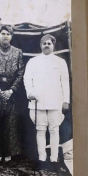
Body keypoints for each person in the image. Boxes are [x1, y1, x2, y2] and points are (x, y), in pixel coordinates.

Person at [24, 34, 70, 164]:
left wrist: (66, 100)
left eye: (49, 43)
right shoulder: (33, 62)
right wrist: (30, 93)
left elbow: (65, 82)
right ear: (40, 45)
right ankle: (42, 158)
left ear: (53, 45)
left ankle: (54, 158)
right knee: (40, 130)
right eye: (44, 43)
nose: (46, 45)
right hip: (38, 102)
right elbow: (27, 79)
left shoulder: (60, 62)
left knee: (54, 130)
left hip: (56, 102)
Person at [0, 25, 25, 162]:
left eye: (8, 33)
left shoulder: (18, 52)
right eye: (3, 33)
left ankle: (9, 152)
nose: (5, 35)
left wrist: (11, 90)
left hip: (12, 92)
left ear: (11, 36)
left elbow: (20, 74)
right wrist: (0, 91)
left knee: (10, 122)